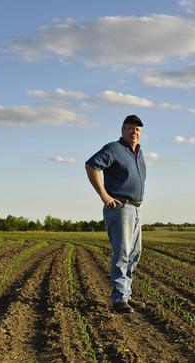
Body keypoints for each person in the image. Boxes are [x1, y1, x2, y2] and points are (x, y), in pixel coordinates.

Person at [85, 114, 147, 314]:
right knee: (122, 253)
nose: (134, 132)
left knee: (134, 254)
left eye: (137, 129)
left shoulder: (138, 152)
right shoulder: (114, 149)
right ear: (122, 130)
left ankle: (125, 294)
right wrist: (104, 196)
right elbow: (91, 165)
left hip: (135, 208)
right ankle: (119, 299)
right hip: (120, 209)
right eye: (130, 128)